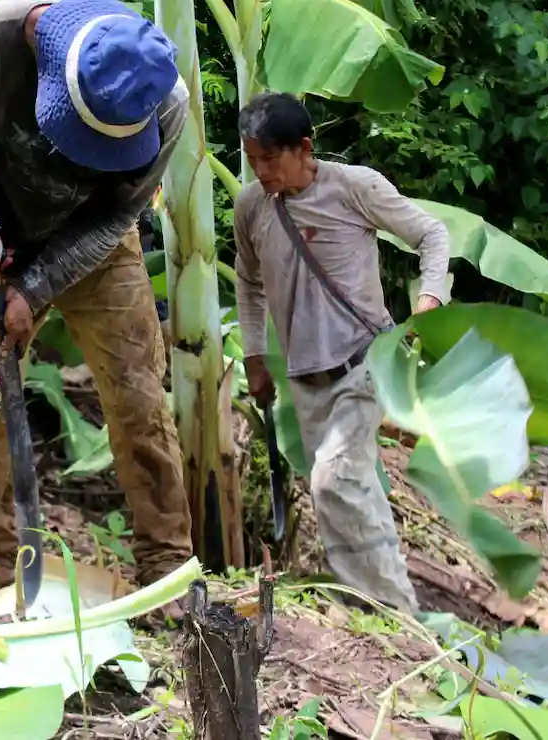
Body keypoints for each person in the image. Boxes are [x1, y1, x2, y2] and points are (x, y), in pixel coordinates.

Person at [0, 0, 193, 615]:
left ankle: (166, 564)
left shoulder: (167, 100)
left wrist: (38, 288)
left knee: (140, 400)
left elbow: (120, 214)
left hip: (97, 244)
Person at [233, 91, 451, 614]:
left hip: (366, 362)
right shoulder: (251, 208)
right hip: (305, 377)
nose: (261, 171)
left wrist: (429, 299)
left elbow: (432, 235)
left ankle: (395, 611)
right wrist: (255, 357)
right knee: (342, 494)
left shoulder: (354, 188)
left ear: (303, 148)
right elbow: (248, 282)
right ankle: (378, 610)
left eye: (270, 159)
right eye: (252, 160)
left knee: (335, 478)